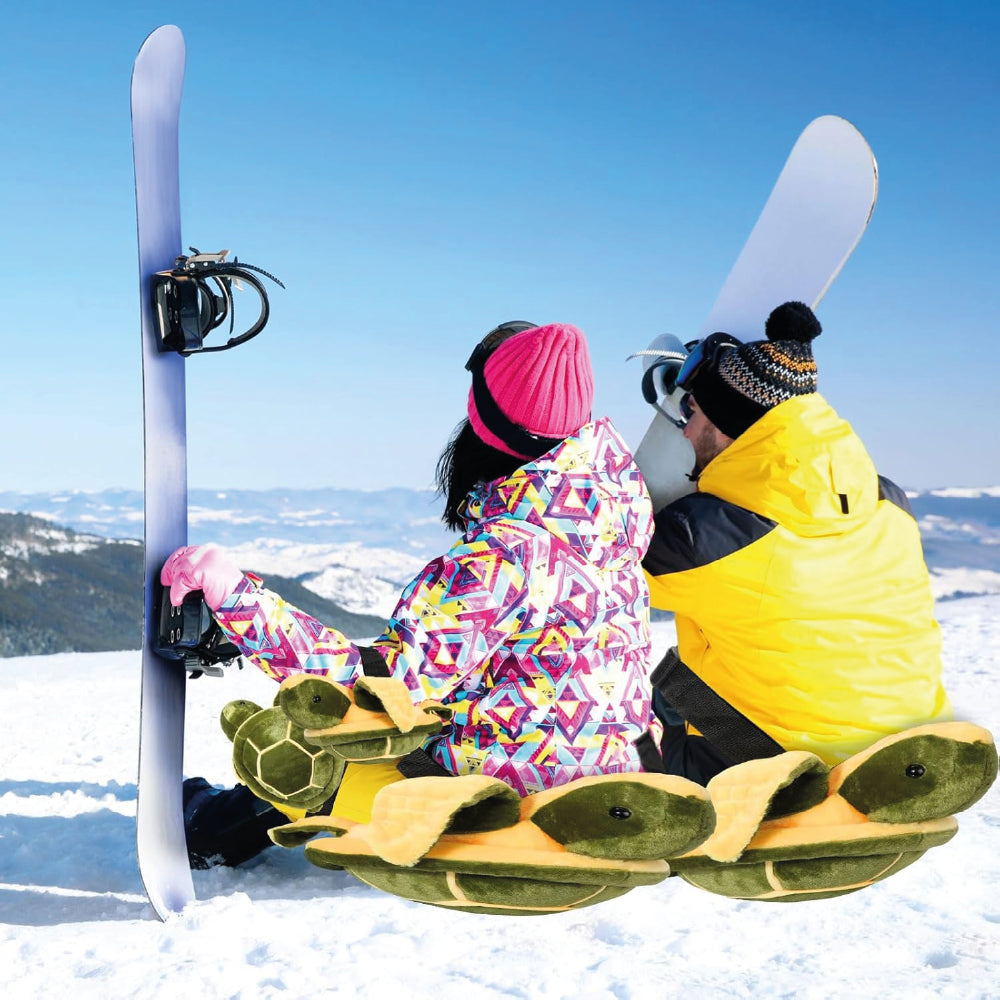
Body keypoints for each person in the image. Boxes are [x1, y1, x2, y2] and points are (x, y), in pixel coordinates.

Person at [167, 321, 656, 867]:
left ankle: (208, 833)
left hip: (504, 812)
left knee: (312, 745)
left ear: (483, 428)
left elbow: (374, 689)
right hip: (610, 795)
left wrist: (237, 600)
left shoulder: (508, 554)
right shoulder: (611, 519)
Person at [639, 301, 952, 785]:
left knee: (635, 701)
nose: (686, 429)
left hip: (784, 774)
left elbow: (596, 571)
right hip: (906, 760)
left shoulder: (700, 539)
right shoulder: (889, 500)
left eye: (691, 411)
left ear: (724, 427)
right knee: (684, 678)